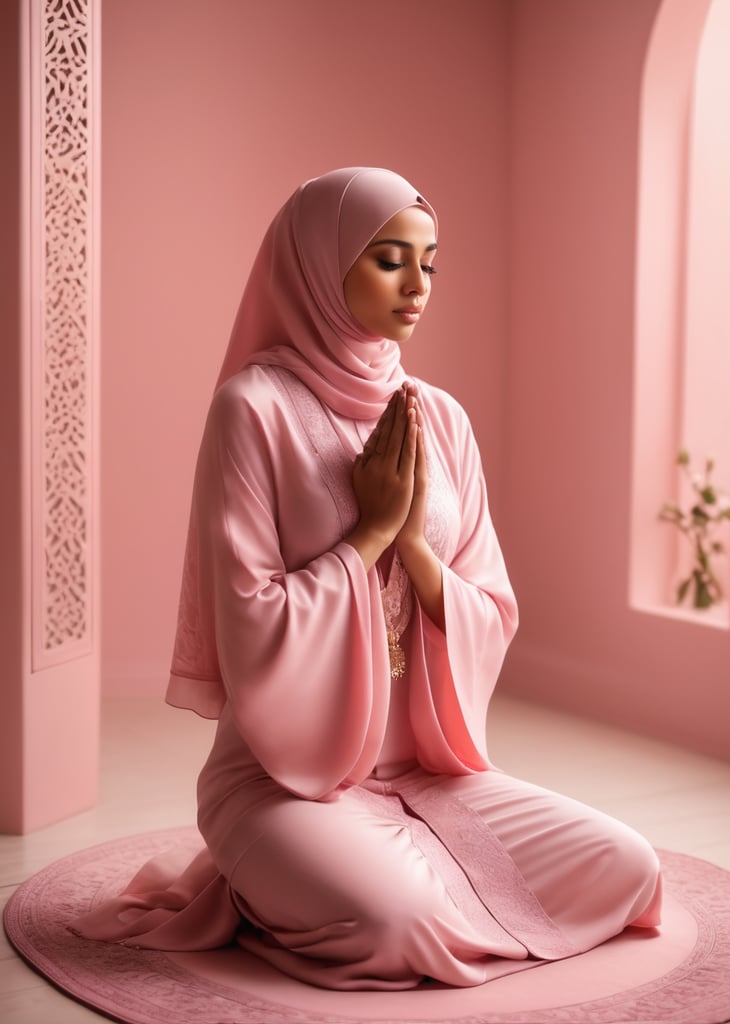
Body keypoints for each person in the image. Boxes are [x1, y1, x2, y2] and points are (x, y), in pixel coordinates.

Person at [71, 167, 661, 990]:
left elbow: (491, 605)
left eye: (429, 262)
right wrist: (370, 532)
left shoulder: (440, 416)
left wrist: (413, 548)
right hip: (285, 782)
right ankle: (283, 886)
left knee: (628, 867)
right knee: (395, 924)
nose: (417, 285)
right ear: (318, 263)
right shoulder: (253, 409)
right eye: (389, 259)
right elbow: (250, 620)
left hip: (428, 769)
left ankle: (386, 878)